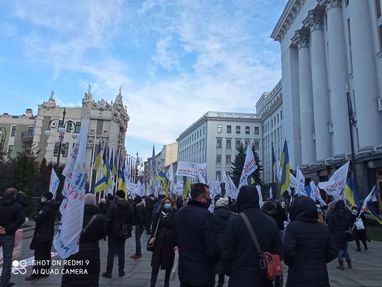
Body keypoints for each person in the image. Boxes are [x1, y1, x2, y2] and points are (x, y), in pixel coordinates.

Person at [222, 185, 282, 287]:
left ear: (241, 198)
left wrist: (231, 271)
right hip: (264, 279)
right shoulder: (270, 222)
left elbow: (227, 253)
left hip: (239, 278)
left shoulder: (234, 222)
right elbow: (278, 252)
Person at [283, 196, 337, 287]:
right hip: (320, 276)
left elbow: (287, 251)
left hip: (297, 276)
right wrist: (320, 261)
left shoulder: (292, 227)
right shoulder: (323, 228)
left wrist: (293, 262)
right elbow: (333, 250)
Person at [175, 183, 219, 287]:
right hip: (202, 272)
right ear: (201, 198)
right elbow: (212, 249)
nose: (210, 198)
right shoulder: (207, 216)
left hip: (184, 270)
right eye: (208, 195)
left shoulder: (179, 213)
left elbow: (175, 239)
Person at [61, 193, 106, 287]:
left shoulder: (73, 216)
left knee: (71, 274)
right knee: (90, 275)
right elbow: (102, 234)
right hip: (92, 252)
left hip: (74, 250)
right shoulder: (99, 218)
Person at [26, 192, 59, 280]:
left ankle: (35, 274)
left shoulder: (46, 208)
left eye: (42, 197)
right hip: (48, 233)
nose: (41, 198)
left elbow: (38, 218)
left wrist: (34, 215)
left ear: (46, 198)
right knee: (46, 254)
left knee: (39, 255)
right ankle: (45, 272)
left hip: (42, 234)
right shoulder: (53, 206)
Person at [103, 190, 134, 278]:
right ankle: (121, 271)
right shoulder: (128, 206)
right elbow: (131, 219)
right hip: (123, 232)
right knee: (121, 251)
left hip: (112, 231)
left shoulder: (113, 205)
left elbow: (107, 219)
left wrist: (104, 232)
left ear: (116, 196)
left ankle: (109, 272)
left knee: (111, 252)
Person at [149, 196, 177, 287]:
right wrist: (152, 236)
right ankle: (152, 283)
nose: (166, 204)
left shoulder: (175, 213)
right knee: (155, 264)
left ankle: (166, 282)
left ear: (172, 204)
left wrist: (177, 243)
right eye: (165, 202)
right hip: (158, 241)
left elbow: (177, 229)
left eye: (168, 202)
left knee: (168, 264)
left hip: (169, 242)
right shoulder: (158, 212)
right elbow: (154, 226)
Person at [0, 187, 25, 287]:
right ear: (14, 195)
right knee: (7, 260)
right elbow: (21, 219)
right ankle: (4, 282)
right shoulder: (17, 206)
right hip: (8, 235)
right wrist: (8, 229)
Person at [327, 200, 352, 270]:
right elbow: (348, 224)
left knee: (339, 250)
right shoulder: (346, 214)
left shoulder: (333, 215)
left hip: (336, 234)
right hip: (344, 234)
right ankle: (349, 263)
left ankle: (341, 264)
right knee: (345, 249)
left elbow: (330, 227)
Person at [213, 197, 232, 287]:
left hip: (215, 243)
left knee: (213, 265)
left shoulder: (212, 215)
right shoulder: (231, 216)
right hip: (227, 243)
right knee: (223, 265)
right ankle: (221, 283)